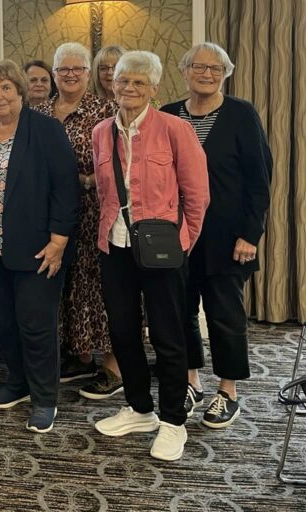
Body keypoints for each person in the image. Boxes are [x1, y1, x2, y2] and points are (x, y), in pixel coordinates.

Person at [91, 51, 209, 462]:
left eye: (139, 82)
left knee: (167, 335)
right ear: (113, 84)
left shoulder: (175, 129)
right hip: (114, 246)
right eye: (123, 80)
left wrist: (184, 242)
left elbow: (197, 195)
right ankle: (140, 409)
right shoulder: (101, 132)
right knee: (123, 331)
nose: (130, 88)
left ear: (154, 88)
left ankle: (174, 421)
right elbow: (105, 192)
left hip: (164, 250)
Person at [0, 59, 80, 433]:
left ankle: (44, 397)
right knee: (3, 321)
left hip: (36, 249)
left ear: (20, 91)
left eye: (6, 88)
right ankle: (18, 381)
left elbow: (66, 187)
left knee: (35, 324)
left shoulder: (44, 129)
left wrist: (58, 241)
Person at [161, 43, 273, 429]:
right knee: (180, 312)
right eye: (198, 66)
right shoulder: (167, 115)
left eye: (215, 68)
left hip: (227, 237)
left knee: (225, 315)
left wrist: (250, 234)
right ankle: (191, 381)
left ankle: (228, 390)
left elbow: (260, 180)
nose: (206, 74)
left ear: (225, 74)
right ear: (184, 70)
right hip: (175, 236)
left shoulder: (241, 114)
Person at [33, 44, 122, 398]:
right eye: (63, 69)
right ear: (54, 74)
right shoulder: (38, 112)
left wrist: (84, 180)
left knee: (101, 288)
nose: (70, 75)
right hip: (51, 217)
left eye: (77, 69)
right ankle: (81, 356)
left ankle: (114, 365)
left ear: (88, 73)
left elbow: (122, 163)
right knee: (68, 288)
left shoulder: (106, 110)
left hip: (94, 215)